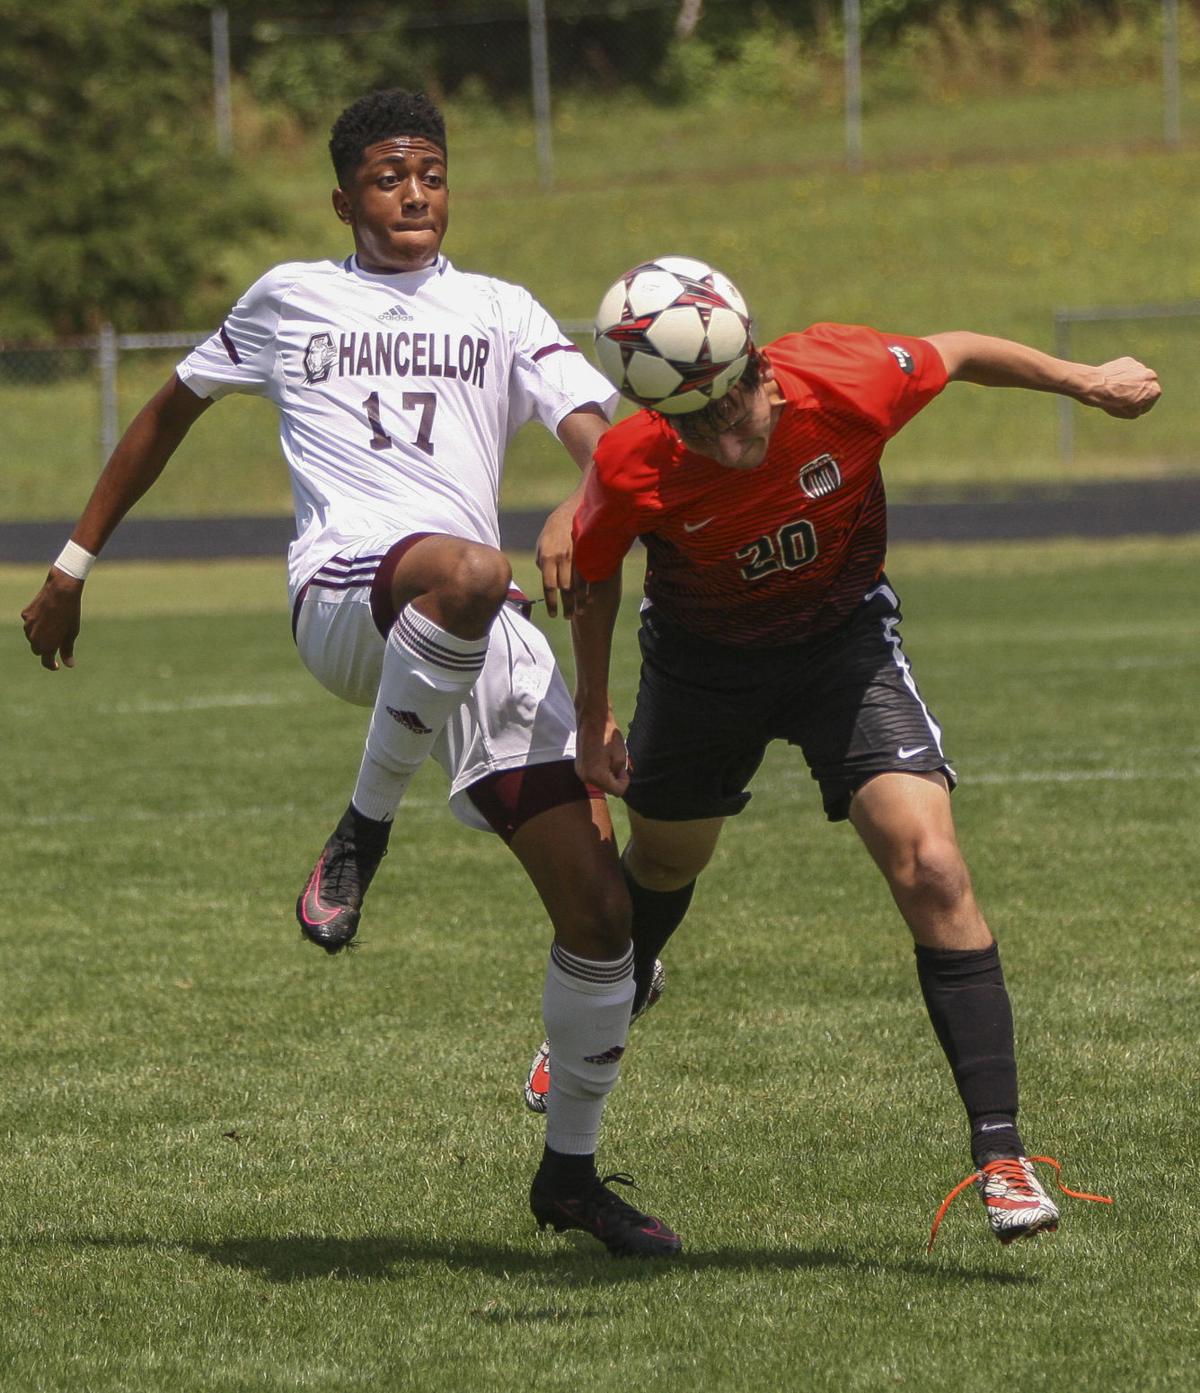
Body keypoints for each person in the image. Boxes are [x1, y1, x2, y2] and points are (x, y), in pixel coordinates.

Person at [19, 88, 683, 1259]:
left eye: (429, 170)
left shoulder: (501, 308)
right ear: (344, 197)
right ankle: (361, 832)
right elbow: (167, 413)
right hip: (346, 594)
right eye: (387, 176)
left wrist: (594, 508)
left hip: (485, 624)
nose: (413, 192)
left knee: (604, 917)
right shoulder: (290, 297)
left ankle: (568, 1176)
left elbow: (607, 449)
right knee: (472, 572)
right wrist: (73, 562)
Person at [527, 281, 1159, 1245]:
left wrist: (1085, 379)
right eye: (693, 423)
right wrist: (593, 707)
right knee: (663, 863)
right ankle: (618, 988)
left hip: (843, 649)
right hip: (703, 672)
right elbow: (600, 567)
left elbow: (960, 341)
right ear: (658, 413)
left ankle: (1002, 1156)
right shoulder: (634, 460)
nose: (723, 434)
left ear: (757, 366)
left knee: (933, 866)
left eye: (733, 404)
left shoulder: (847, 375)